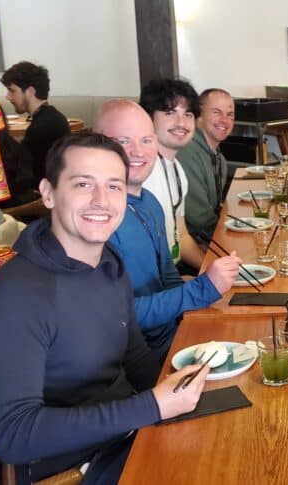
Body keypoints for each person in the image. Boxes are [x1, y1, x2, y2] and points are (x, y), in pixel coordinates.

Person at [0, 133, 214, 484]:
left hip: (130, 436)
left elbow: (136, 359)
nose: (101, 200)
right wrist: (152, 406)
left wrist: (181, 388)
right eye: (84, 184)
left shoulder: (108, 265)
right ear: (48, 192)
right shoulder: (14, 295)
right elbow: (14, 436)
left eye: (114, 186)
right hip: (73, 470)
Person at [95, 99, 240, 355]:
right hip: (134, 358)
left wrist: (207, 288)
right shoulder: (98, 218)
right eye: (124, 141)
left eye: (146, 140)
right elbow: (118, 316)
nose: (138, 152)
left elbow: (167, 277)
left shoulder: (149, 202)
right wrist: (202, 289)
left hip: (173, 334)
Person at [139, 78, 207, 272]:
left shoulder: (176, 167)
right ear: (149, 118)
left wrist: (211, 271)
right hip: (151, 283)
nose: (181, 123)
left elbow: (182, 238)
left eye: (188, 114)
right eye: (170, 113)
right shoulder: (142, 172)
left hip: (172, 272)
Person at [177, 88, 234, 246]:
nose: (225, 120)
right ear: (198, 116)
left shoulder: (219, 158)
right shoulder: (187, 151)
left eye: (230, 114)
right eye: (216, 112)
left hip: (207, 239)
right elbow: (199, 219)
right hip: (189, 248)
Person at [0, 61, 71, 182]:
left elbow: (25, 173)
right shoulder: (50, 117)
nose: (8, 97)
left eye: (12, 91)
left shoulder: (43, 126)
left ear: (30, 91)